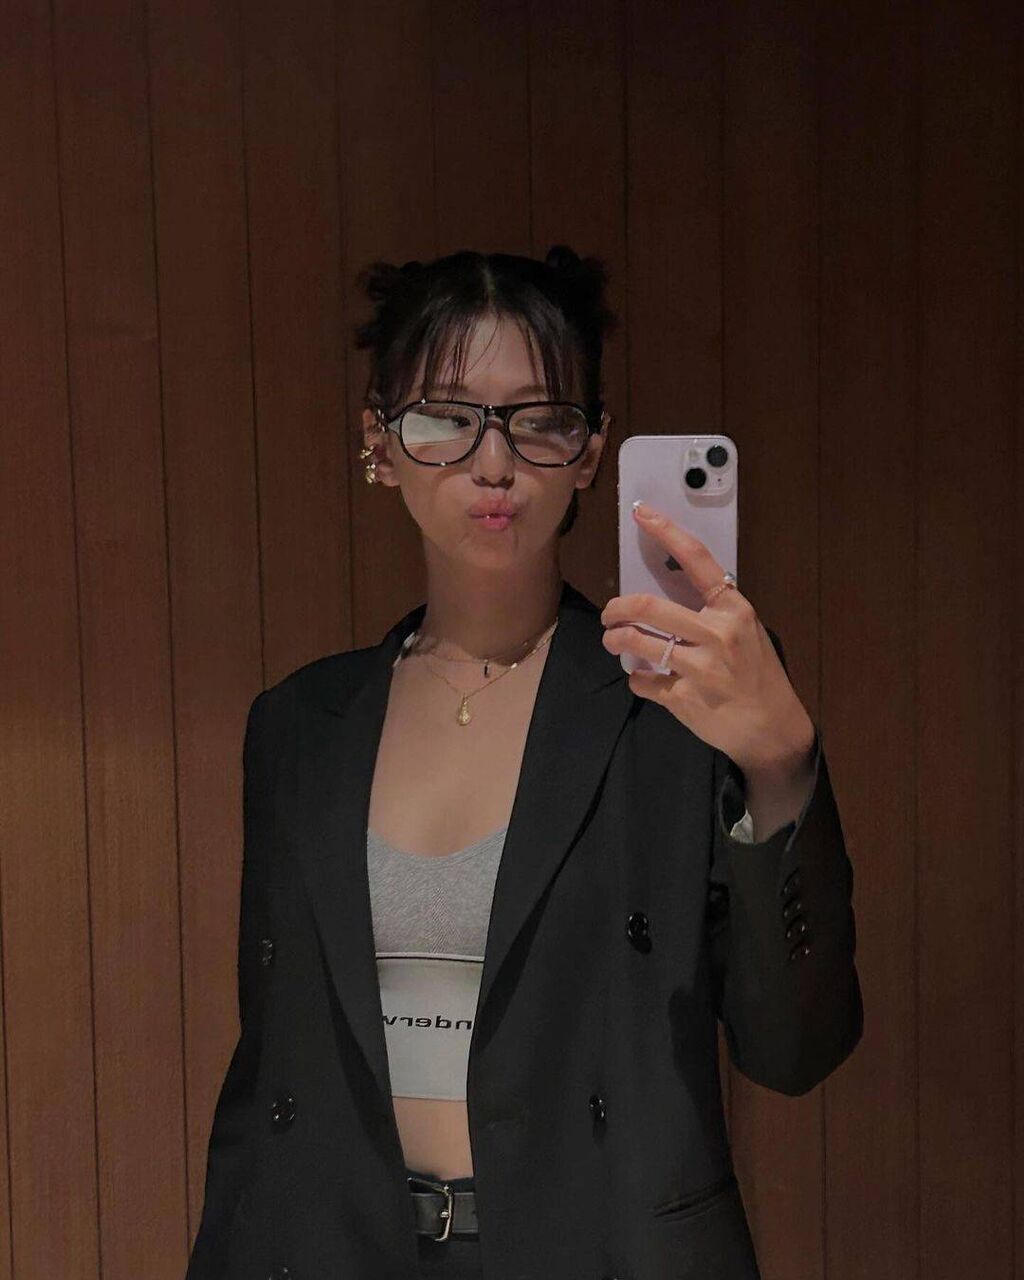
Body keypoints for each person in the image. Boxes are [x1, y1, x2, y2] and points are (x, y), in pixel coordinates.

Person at [185, 246, 863, 1280]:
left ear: (590, 452)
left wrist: (781, 766)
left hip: (604, 1249)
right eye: (445, 417)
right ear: (379, 443)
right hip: (335, 1249)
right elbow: (271, 1076)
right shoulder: (300, 726)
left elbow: (794, 1049)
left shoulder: (675, 704)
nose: (493, 463)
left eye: (539, 420)